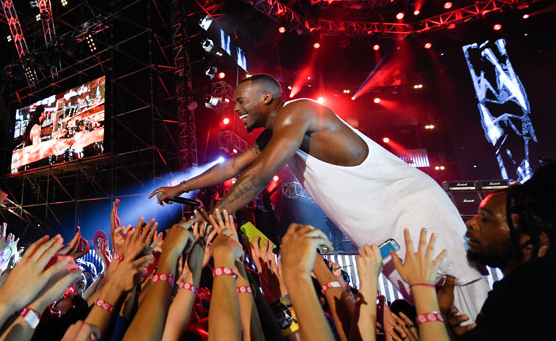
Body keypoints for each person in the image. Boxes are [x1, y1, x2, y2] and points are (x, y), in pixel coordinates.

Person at [149, 73, 489, 322]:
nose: (235, 108)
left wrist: (211, 218)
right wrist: (179, 189)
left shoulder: (299, 112)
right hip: (387, 232)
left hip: (415, 214)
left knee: (465, 313)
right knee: (435, 316)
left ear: (267, 98)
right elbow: (233, 166)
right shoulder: (276, 133)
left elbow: (259, 175)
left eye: (241, 100)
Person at [454, 161, 555, 341]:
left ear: (535, 239)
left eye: (486, 218)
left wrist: (425, 306)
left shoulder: (528, 290)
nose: (472, 224)